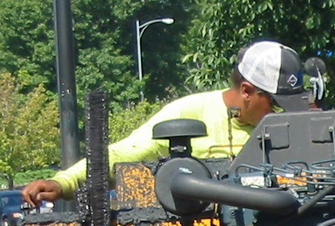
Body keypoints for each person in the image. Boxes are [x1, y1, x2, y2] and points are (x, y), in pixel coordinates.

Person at [21, 40, 308, 206]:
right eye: (275, 101)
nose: (280, 112)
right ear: (246, 91)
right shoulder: (189, 111)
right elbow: (126, 153)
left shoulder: (287, 124)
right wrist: (64, 182)